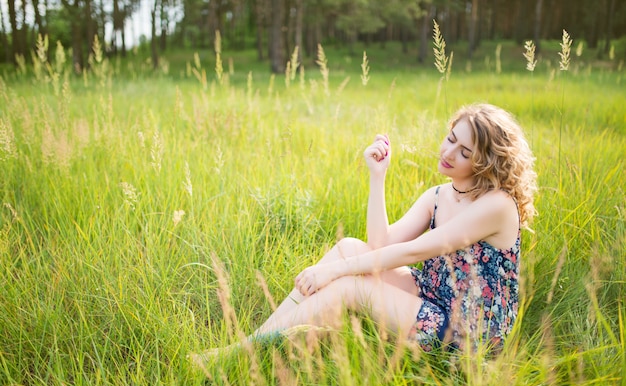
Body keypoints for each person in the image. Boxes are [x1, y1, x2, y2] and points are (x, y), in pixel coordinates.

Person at [191, 103, 537, 364]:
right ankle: (254, 342)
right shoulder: (439, 195)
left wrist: (335, 271)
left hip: (468, 332)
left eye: (465, 152)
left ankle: (233, 356)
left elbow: (414, 252)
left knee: (350, 283)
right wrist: (378, 176)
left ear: (487, 163)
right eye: (450, 139)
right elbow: (380, 245)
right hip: (432, 296)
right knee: (349, 247)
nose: (448, 153)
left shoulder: (497, 205)